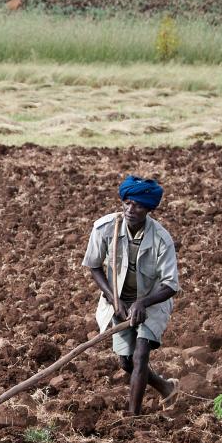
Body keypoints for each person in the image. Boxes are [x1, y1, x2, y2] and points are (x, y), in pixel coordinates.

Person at [82, 175, 180, 415]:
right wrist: (113, 299)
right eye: (126, 203)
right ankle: (165, 387)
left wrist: (142, 303)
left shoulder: (161, 239)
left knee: (140, 354)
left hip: (152, 300)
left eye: (137, 205)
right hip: (118, 301)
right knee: (126, 361)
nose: (130, 209)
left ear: (148, 208)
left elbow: (170, 285)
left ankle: (133, 417)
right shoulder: (105, 228)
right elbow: (94, 266)